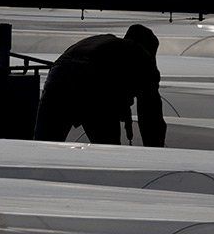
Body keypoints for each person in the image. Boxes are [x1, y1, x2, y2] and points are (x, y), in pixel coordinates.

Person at [35, 24, 166, 146]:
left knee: (44, 146)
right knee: (108, 150)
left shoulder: (102, 42)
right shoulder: (142, 56)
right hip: (94, 87)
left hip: (57, 82)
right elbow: (151, 113)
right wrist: (155, 151)